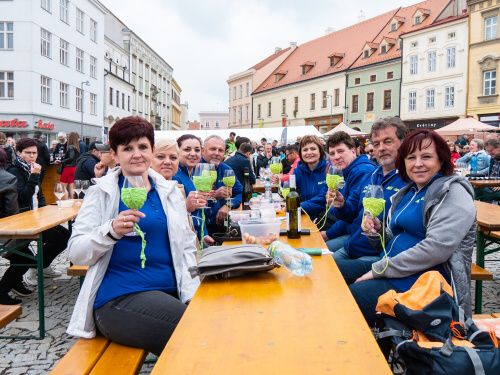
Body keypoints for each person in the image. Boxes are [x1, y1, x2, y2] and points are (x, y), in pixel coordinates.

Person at [66, 116, 200, 355]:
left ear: (151, 151)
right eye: (127, 148)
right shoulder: (101, 193)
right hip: (120, 298)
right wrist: (111, 231)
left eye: (142, 147)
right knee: (195, 331)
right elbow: (77, 252)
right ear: (115, 156)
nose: (136, 154)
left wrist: (192, 293)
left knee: (214, 322)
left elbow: (187, 247)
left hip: (170, 291)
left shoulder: (169, 192)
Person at [350, 129, 475, 326]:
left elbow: (436, 249)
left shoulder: (452, 192)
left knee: (353, 297)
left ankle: (371, 352)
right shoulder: (409, 192)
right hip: (395, 268)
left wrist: (379, 269)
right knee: (336, 272)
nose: (417, 164)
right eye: (411, 158)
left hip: (427, 284)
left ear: (441, 160)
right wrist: (376, 232)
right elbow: (392, 240)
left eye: (426, 157)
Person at [334, 117, 408, 273]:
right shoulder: (372, 175)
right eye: (376, 144)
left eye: (387, 141)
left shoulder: (409, 180)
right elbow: (351, 213)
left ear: (403, 143)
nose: (381, 148)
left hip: (377, 256)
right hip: (352, 246)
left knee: (326, 272)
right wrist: (341, 205)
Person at [1, 138, 69, 304]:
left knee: (64, 235)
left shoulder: (33, 169)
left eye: (34, 153)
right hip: (22, 221)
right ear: (18, 153)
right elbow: (23, 196)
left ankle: (36, 268)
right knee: (24, 257)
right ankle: (33, 269)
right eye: (28, 153)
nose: (32, 156)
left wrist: (46, 210)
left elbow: (38, 194)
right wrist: (34, 176)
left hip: (35, 216)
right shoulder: (15, 171)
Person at [321, 131, 376, 252]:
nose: (336, 157)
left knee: (322, 251)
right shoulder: (345, 171)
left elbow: (354, 216)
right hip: (349, 229)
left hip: (361, 237)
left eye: (340, 151)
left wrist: (329, 234)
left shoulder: (363, 171)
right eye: (332, 153)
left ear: (353, 151)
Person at [173, 135, 215, 246]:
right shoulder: (174, 176)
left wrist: (204, 235)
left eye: (197, 150)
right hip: (183, 242)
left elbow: (198, 211)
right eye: (187, 149)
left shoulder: (193, 175)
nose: (193, 153)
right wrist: (186, 207)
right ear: (177, 152)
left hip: (197, 238)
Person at [201, 135, 243, 234]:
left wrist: (228, 205)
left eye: (220, 150)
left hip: (220, 227)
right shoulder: (195, 169)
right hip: (201, 229)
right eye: (212, 149)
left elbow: (240, 193)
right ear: (203, 150)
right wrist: (214, 195)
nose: (216, 153)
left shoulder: (226, 169)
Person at [292, 135, 328, 222]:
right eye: (305, 150)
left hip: (324, 219)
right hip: (305, 217)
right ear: (301, 154)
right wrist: (279, 182)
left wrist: (299, 207)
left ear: (320, 151)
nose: (309, 152)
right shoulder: (298, 171)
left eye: (313, 149)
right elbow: (289, 188)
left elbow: (324, 198)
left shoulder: (329, 169)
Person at [60, 132, 80, 199]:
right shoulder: (77, 148)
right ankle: (72, 202)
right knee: (71, 187)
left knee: (63, 187)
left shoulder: (71, 147)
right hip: (74, 168)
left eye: (68, 137)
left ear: (70, 138)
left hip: (68, 168)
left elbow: (71, 158)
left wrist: (62, 161)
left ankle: (66, 202)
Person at [33, 131, 51, 206]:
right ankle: (40, 202)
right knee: (38, 184)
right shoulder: (43, 145)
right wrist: (47, 164)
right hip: (41, 166)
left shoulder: (31, 144)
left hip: (32, 165)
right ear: (40, 137)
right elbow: (47, 157)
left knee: (35, 184)